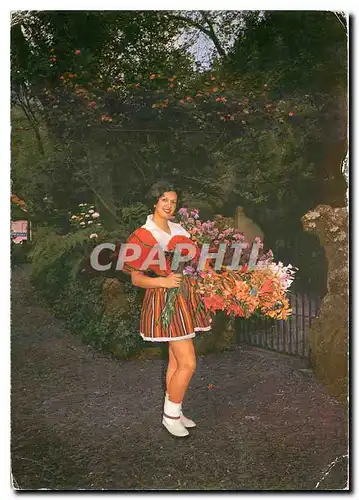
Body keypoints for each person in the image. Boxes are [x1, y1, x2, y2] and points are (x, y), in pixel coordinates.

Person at [122, 181, 212, 437]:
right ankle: (170, 416)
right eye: (164, 200)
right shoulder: (142, 234)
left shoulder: (178, 228)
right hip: (164, 302)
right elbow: (136, 278)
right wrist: (162, 281)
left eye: (173, 201)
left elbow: (193, 261)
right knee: (188, 362)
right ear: (154, 201)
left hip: (184, 298)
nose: (169, 205)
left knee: (175, 360)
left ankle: (175, 409)